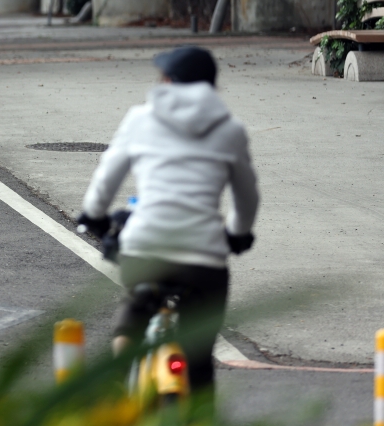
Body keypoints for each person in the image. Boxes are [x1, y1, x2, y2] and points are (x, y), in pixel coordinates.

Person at [76, 46, 259, 397]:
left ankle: (116, 390)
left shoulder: (139, 119)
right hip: (203, 258)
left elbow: (106, 177)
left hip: (147, 248)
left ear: (170, 81)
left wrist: (94, 217)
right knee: (200, 360)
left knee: (132, 316)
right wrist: (237, 234)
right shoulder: (231, 129)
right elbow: (247, 196)